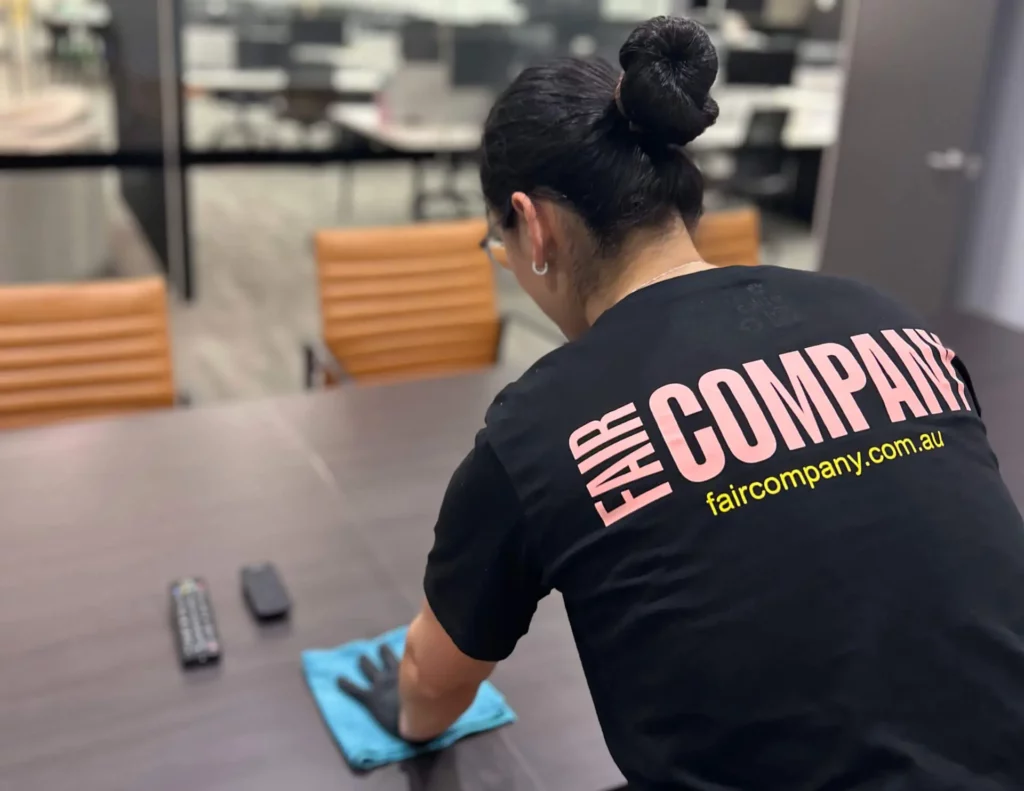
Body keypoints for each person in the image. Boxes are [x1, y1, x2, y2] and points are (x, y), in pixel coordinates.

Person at [337, 15, 1024, 790]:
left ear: (534, 225)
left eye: (499, 245)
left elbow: (433, 682)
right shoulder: (888, 318)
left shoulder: (541, 427)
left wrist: (404, 716)